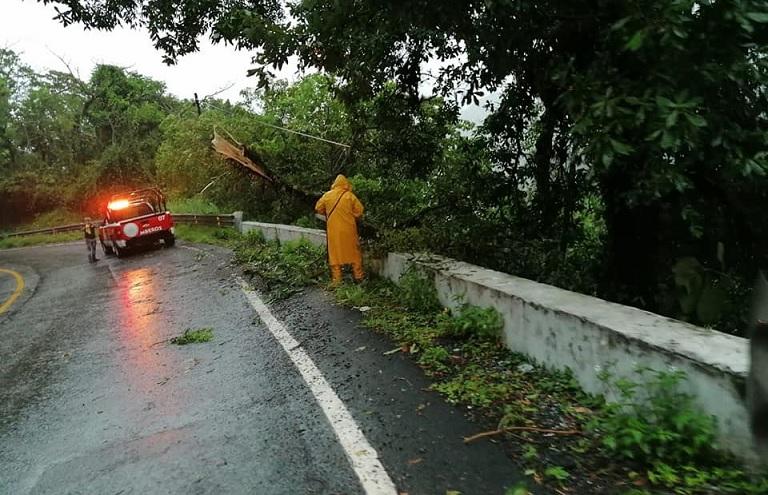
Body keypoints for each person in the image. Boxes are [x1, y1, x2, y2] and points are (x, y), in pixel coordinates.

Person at [315, 175, 364, 285]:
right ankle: (358, 277)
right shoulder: (350, 196)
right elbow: (359, 211)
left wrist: (328, 213)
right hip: (349, 230)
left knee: (335, 255)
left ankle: (337, 281)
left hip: (334, 231)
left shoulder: (327, 196)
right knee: (354, 253)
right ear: (346, 184)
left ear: (335, 184)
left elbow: (318, 208)